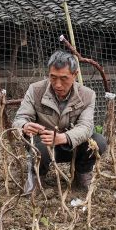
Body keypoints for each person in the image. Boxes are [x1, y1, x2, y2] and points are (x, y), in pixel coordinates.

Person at [13, 50, 107, 190]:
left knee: (98, 142)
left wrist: (64, 137)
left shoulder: (87, 95)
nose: (57, 84)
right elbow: (19, 119)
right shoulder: (35, 90)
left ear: (75, 75)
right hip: (44, 145)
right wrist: (24, 126)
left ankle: (82, 173)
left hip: (72, 144)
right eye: (53, 77)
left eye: (64, 78)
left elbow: (86, 127)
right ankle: (37, 176)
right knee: (40, 148)